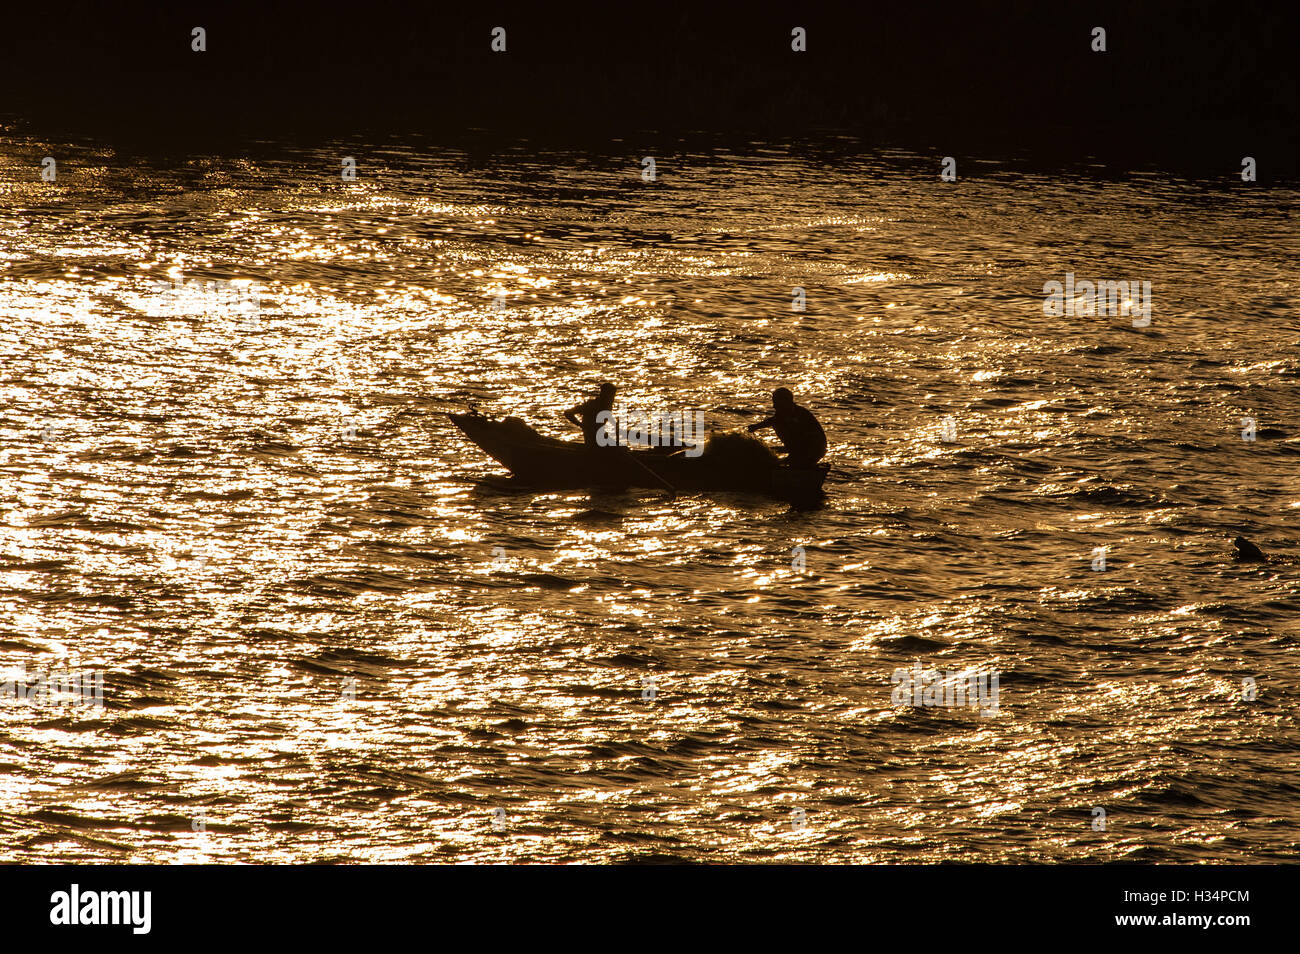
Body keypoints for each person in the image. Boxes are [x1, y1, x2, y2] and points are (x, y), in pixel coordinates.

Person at [747, 387, 827, 466]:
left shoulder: (799, 415)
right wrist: (756, 427)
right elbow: (772, 420)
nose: (774, 406)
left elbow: (806, 441)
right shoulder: (783, 414)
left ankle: (796, 463)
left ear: (785, 402)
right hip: (803, 450)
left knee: (779, 423)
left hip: (812, 451)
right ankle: (794, 460)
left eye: (776, 402)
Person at [563, 382, 617, 447]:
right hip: (592, 442)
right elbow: (568, 413)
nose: (612, 399)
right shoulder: (592, 405)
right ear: (604, 394)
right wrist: (581, 425)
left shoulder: (607, 406)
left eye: (613, 396)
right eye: (611, 395)